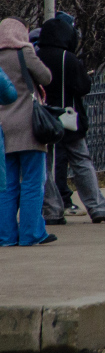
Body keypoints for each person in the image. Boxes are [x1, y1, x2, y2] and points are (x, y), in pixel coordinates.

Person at [38, 17, 105, 226]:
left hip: (42, 120)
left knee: (45, 166)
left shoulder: (36, 56)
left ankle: (52, 209)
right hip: (69, 118)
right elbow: (82, 87)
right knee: (82, 162)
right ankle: (97, 207)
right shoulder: (69, 58)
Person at [0, 17, 56, 245]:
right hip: (28, 125)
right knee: (33, 181)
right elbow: (46, 77)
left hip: (4, 127)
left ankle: (6, 236)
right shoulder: (24, 52)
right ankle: (31, 233)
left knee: (7, 185)